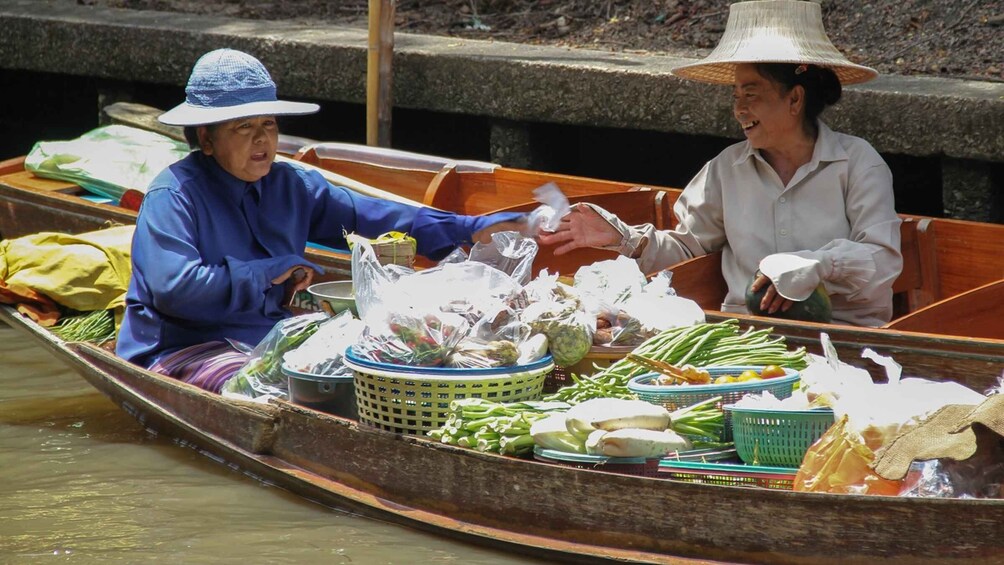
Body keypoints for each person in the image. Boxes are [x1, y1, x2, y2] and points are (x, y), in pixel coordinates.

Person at [116, 48, 524, 391]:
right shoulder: (173, 195)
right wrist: (269, 272)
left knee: (373, 370)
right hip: (185, 349)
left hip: (266, 335)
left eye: (269, 125)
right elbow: (176, 290)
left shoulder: (291, 185)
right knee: (270, 389)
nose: (263, 140)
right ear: (206, 138)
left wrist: (469, 229)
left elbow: (374, 216)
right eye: (245, 128)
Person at [538, 0, 902, 327]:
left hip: (845, 338)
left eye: (752, 93)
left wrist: (817, 266)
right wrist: (624, 239)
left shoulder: (858, 164)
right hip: (747, 338)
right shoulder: (725, 169)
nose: (739, 108)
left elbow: (882, 260)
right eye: (736, 94)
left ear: (795, 99)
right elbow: (686, 248)